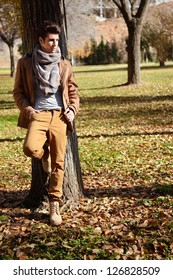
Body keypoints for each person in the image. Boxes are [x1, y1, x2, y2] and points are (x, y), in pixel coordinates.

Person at [13, 21, 79, 226]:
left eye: (57, 40)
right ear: (40, 40)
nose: (54, 44)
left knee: (59, 163)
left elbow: (73, 92)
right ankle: (44, 154)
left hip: (60, 116)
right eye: (50, 40)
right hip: (38, 115)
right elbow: (18, 93)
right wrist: (28, 110)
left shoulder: (64, 64)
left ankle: (54, 204)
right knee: (31, 148)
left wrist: (72, 110)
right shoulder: (26, 63)